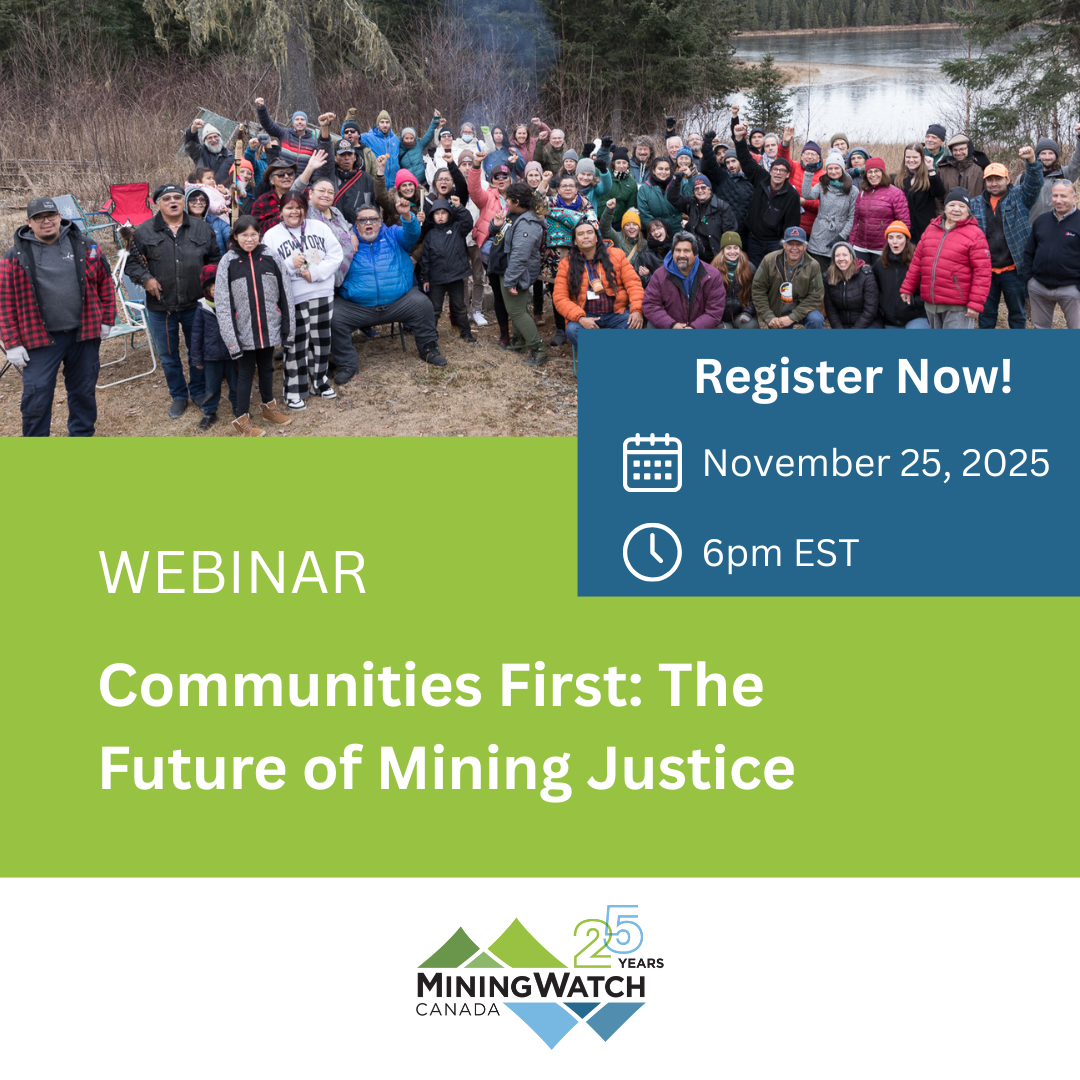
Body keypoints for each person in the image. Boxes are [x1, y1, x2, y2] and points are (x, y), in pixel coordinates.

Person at [0, 197, 115, 437]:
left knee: (83, 392)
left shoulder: (86, 246)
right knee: (36, 395)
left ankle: (81, 437)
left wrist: (107, 319)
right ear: (28, 222)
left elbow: (105, 282)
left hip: (83, 335)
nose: (46, 222)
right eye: (39, 218)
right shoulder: (14, 256)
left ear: (59, 217)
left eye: (50, 215)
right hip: (39, 340)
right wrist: (11, 343)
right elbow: (5, 302)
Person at [127, 183, 220, 418]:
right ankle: (178, 395)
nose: (173, 201)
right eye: (167, 198)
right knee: (168, 355)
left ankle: (198, 391)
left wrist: (211, 283)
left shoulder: (201, 229)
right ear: (157, 203)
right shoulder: (144, 231)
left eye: (178, 197)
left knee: (196, 351)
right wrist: (146, 279)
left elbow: (215, 259)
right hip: (162, 306)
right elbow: (132, 264)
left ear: (183, 201)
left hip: (196, 304)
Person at [330, 198, 446, 383]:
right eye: (363, 220)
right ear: (356, 225)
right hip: (358, 307)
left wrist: (406, 215)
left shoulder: (392, 234)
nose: (369, 223)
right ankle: (346, 365)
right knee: (334, 316)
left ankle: (429, 350)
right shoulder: (346, 241)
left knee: (422, 304)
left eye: (373, 219)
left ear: (380, 221)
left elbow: (412, 233)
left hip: (398, 302)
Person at [214, 215, 294, 435]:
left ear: (259, 234)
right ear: (235, 237)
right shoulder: (228, 262)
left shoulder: (270, 256)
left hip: (269, 326)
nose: (249, 239)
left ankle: (269, 407)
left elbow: (285, 291)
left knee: (267, 367)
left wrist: (288, 326)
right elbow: (222, 303)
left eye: (253, 234)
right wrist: (231, 337)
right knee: (246, 373)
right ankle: (242, 418)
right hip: (244, 330)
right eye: (244, 235)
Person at [263, 191, 344, 407]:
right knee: (296, 343)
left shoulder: (319, 227)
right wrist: (290, 264)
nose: (294, 211)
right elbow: (268, 268)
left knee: (321, 340)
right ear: (281, 211)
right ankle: (293, 390)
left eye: (298, 207)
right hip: (293, 297)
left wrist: (316, 273)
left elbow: (336, 255)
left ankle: (320, 381)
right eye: (289, 207)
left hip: (321, 293)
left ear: (304, 209)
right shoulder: (271, 235)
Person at [969, 147, 1040, 329]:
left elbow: (1035, 183)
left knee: (1017, 315)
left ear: (1007, 180)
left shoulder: (1019, 197)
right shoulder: (975, 204)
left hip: (1014, 270)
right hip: (985, 272)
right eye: (990, 180)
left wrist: (1032, 161)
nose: (994, 183)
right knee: (986, 316)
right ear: (985, 182)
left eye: (998, 179)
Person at [901, 189, 991, 329]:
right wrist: (908, 287)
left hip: (958, 306)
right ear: (945, 208)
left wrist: (976, 303)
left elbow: (982, 273)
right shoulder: (931, 229)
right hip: (932, 303)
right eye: (952, 205)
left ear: (968, 211)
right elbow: (917, 262)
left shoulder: (976, 235)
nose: (956, 209)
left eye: (962, 206)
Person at [553, 219, 644, 347]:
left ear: (596, 238)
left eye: (590, 232)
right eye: (580, 234)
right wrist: (580, 318)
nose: (585, 236)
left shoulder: (617, 255)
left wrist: (637, 310)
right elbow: (559, 298)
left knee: (635, 323)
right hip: (586, 315)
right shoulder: (566, 264)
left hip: (615, 314)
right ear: (575, 241)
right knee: (573, 330)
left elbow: (634, 284)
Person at [492, 182, 547, 364]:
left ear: (516, 201)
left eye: (508, 199)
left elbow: (520, 256)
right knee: (516, 308)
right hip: (508, 270)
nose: (505, 202)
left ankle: (538, 349)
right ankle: (519, 341)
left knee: (516, 312)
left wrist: (510, 280)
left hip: (516, 273)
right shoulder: (516, 215)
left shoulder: (528, 223)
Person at [733, 122, 801, 266]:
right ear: (770, 171)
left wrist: (785, 246)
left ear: (788, 174)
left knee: (774, 274)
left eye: (782, 170)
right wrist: (739, 140)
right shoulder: (761, 178)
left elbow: (791, 225)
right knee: (755, 273)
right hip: (754, 239)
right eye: (775, 169)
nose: (778, 173)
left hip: (774, 243)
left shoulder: (791, 195)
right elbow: (745, 160)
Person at [543, 173, 598, 346]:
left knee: (578, 289)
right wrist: (575, 221)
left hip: (579, 255)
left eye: (571, 186)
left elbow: (593, 225)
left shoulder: (584, 204)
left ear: (577, 189)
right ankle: (560, 329)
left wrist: (561, 218)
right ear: (558, 189)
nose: (568, 189)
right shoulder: (548, 202)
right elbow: (534, 206)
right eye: (564, 186)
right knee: (557, 292)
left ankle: (577, 322)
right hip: (553, 256)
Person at [468, 152, 515, 344]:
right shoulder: (487, 197)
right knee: (498, 290)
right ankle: (504, 333)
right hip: (493, 251)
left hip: (514, 250)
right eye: (497, 177)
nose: (501, 179)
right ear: (492, 180)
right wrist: (476, 165)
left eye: (505, 176)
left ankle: (518, 330)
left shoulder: (518, 196)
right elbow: (473, 189)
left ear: (510, 179)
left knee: (515, 292)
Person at [419, 198, 478, 345]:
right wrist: (425, 278)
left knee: (460, 307)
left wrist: (459, 206)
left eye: (443, 213)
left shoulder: (458, 228)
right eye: (436, 213)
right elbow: (426, 258)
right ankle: (431, 337)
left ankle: (466, 334)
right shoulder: (430, 234)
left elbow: (468, 222)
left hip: (456, 276)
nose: (440, 216)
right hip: (436, 278)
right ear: (432, 216)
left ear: (449, 214)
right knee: (434, 310)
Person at [1024, 178, 1080, 329]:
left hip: (1071, 289)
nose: (1058, 200)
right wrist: (1030, 280)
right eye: (1055, 196)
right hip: (1039, 287)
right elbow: (1029, 252)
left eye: (1063, 196)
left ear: (1074, 197)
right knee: (1041, 330)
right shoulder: (1041, 220)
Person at [641, 231, 726, 329]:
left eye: (686, 251)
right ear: (672, 252)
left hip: (700, 327)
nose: (681, 255)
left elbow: (714, 311)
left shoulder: (712, 275)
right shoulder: (659, 276)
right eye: (678, 250)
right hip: (672, 327)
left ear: (695, 253)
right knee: (651, 326)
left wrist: (694, 327)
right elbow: (650, 305)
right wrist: (672, 325)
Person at [189, 264, 237, 429]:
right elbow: (195, 336)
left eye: (219, 287)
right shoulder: (202, 309)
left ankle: (238, 408)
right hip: (210, 356)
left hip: (232, 354)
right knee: (211, 386)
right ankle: (209, 412)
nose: (216, 291)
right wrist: (197, 358)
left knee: (235, 383)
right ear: (207, 290)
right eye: (213, 288)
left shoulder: (232, 305)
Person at [751, 226, 826, 329]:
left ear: (805, 247)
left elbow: (816, 296)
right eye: (790, 244)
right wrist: (769, 316)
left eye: (799, 244)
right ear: (784, 245)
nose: (794, 248)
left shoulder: (813, 265)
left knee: (816, 320)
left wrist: (793, 317)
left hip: (803, 309)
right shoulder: (768, 260)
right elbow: (758, 290)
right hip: (778, 312)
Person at [802, 150, 857, 272]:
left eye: (836, 168)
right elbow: (807, 194)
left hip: (840, 234)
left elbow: (852, 217)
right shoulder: (823, 184)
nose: (833, 171)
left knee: (837, 273)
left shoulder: (853, 190)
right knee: (817, 273)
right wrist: (808, 173)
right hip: (819, 234)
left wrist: (841, 236)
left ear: (842, 169)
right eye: (830, 168)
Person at [849, 158, 910, 264]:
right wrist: (851, 244)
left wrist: (897, 246)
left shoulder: (895, 193)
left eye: (876, 171)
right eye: (869, 172)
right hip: (860, 247)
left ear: (883, 173)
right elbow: (856, 222)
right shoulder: (863, 192)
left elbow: (903, 224)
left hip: (882, 248)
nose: (873, 175)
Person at [665, 173, 737, 263]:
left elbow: (730, 233)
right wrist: (677, 178)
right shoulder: (691, 202)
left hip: (716, 257)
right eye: (696, 188)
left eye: (703, 187)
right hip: (696, 256)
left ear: (709, 189)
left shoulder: (722, 207)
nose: (700, 191)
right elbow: (672, 198)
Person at [872, 222, 929, 329]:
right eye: (891, 237)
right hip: (890, 319)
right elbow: (874, 290)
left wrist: (912, 302)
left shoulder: (918, 261)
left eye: (899, 237)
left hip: (915, 316)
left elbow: (927, 291)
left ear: (906, 239)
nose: (895, 242)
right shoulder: (879, 264)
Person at [823, 240, 879, 329]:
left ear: (852, 257)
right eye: (837, 255)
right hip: (843, 325)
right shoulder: (828, 278)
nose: (841, 258)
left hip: (868, 324)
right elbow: (831, 310)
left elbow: (870, 309)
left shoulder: (866, 276)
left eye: (845, 255)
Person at [777, 126, 822, 238]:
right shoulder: (795, 167)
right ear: (802, 156)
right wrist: (785, 143)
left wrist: (804, 202)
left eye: (813, 154)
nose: (809, 157)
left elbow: (824, 205)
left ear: (819, 158)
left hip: (810, 229)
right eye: (807, 153)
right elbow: (782, 159)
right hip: (789, 223)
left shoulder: (824, 176)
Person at [898, 143, 946, 244]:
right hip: (904, 229)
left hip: (925, 229)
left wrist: (930, 168)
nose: (911, 160)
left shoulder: (929, 178)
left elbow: (940, 192)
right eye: (908, 157)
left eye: (915, 157)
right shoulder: (898, 179)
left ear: (922, 158)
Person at [1030, 127, 1080, 221]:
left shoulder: (1065, 174)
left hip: (1058, 229)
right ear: (1037, 156)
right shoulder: (1025, 178)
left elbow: (1077, 162)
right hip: (1032, 231)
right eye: (1043, 153)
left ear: (1056, 156)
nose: (1047, 157)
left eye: (1051, 153)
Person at [255, 98, 318, 171]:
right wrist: (261, 109)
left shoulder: (313, 143)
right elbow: (268, 125)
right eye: (297, 119)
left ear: (306, 123)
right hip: (284, 178)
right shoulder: (284, 134)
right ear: (292, 123)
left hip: (303, 180)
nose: (299, 122)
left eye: (302, 119)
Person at [711, 232, 758, 328]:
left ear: (740, 249)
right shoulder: (713, 269)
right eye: (728, 248)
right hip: (720, 316)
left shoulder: (750, 268)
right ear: (723, 250)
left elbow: (755, 294)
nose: (732, 252)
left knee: (751, 326)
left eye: (736, 248)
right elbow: (707, 299)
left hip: (741, 313)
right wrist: (716, 320)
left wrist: (748, 312)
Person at [250, 158, 298, 235]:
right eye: (280, 174)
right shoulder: (262, 201)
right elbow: (257, 229)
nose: (286, 176)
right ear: (272, 181)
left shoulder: (304, 194)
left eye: (289, 173)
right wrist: (281, 217)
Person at [637, 157, 683, 234]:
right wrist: (657, 230)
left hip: (679, 230)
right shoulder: (644, 189)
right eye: (660, 169)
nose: (664, 172)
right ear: (653, 171)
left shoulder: (679, 184)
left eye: (666, 169)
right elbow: (644, 213)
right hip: (656, 233)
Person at [184, 118, 235, 185]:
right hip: (204, 191)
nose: (213, 140)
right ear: (205, 141)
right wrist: (193, 129)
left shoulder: (231, 155)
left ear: (220, 138)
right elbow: (190, 144)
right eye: (209, 138)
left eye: (215, 136)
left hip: (225, 192)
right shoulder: (199, 153)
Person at [938, 135, 986, 203]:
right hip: (949, 212)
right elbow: (938, 197)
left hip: (974, 212)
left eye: (962, 149)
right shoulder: (943, 170)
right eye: (955, 150)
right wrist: (942, 213)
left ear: (968, 149)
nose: (958, 153)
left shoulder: (980, 168)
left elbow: (987, 194)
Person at [400, 110, 441, 188]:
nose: (409, 140)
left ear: (414, 138)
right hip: (408, 184)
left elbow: (428, 135)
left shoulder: (418, 146)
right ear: (402, 139)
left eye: (411, 138)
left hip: (423, 182)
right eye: (406, 138)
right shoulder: (398, 151)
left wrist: (435, 120)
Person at [600, 200, 646, 268]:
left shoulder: (645, 244)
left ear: (639, 227)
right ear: (623, 228)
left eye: (635, 224)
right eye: (627, 225)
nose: (631, 227)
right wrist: (609, 211)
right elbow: (605, 228)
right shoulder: (617, 238)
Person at [185, 188, 230, 254]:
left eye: (202, 200)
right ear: (186, 203)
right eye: (193, 199)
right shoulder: (180, 224)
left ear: (207, 203)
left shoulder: (218, 223)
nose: (198, 202)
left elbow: (233, 244)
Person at [361, 109, 402, 179]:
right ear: (378, 124)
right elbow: (349, 136)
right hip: (378, 180)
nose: (385, 125)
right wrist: (349, 119)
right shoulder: (369, 137)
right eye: (382, 122)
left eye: (387, 122)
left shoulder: (395, 139)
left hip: (394, 182)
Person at [608, 147, 639, 229]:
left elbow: (631, 206)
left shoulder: (632, 182)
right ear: (613, 164)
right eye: (618, 163)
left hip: (620, 222)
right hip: (603, 219)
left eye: (624, 163)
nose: (621, 166)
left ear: (628, 164)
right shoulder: (606, 177)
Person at [636, 218, 674, 283]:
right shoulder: (644, 255)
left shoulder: (677, 248)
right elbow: (638, 279)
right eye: (652, 230)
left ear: (666, 229)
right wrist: (649, 276)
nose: (656, 232)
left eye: (659, 228)